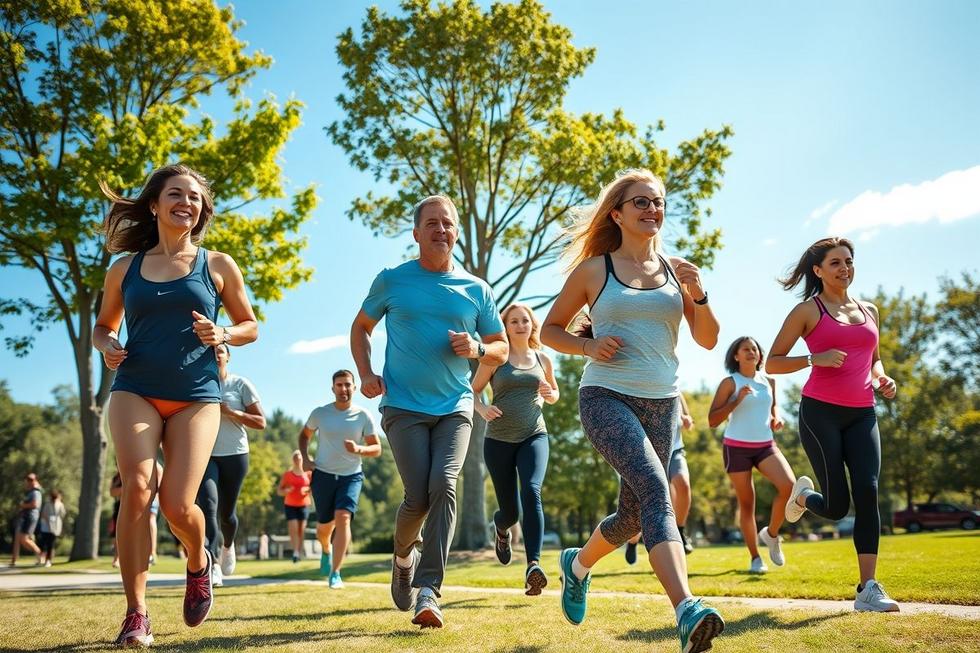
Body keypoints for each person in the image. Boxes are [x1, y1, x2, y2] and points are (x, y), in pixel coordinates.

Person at [540, 169, 724, 653]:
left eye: (658, 202)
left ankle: (577, 565)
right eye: (641, 202)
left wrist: (698, 294)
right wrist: (589, 347)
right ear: (617, 213)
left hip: (661, 403)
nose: (652, 210)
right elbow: (550, 330)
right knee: (655, 487)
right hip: (606, 397)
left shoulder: (677, 271)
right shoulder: (595, 271)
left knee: (634, 517)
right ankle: (687, 610)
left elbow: (708, 338)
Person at [94, 164, 258, 646]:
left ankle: (198, 560)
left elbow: (251, 324)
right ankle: (136, 614)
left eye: (194, 197)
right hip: (135, 387)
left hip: (196, 395)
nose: (185, 202)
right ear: (154, 204)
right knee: (137, 489)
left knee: (177, 504)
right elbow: (104, 325)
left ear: (202, 210)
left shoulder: (218, 264)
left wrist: (223, 332)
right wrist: (106, 345)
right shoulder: (124, 269)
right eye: (175, 194)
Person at [351, 194, 507, 628]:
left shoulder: (477, 289)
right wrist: (365, 372)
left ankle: (428, 590)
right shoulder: (392, 280)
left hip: (456, 404)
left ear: (456, 232)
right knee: (417, 496)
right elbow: (361, 327)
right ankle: (403, 557)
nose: (442, 230)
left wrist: (478, 348)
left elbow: (501, 347)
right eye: (433, 223)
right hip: (402, 405)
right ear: (416, 233)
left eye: (449, 224)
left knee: (445, 483)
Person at [766, 237, 899, 612]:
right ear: (818, 270)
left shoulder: (869, 309)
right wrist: (814, 358)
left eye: (849, 261)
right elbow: (772, 363)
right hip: (820, 413)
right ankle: (803, 497)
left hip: (863, 413)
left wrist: (881, 377)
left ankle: (868, 588)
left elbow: (874, 359)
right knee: (838, 506)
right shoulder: (808, 311)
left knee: (868, 491)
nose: (845, 268)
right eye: (836, 263)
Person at [471, 303, 559, 595]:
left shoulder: (543, 359)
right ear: (505, 327)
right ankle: (501, 527)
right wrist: (483, 409)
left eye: (525, 320)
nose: (521, 325)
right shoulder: (496, 358)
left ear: (532, 325)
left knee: (532, 490)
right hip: (497, 441)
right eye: (514, 321)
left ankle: (533, 564)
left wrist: (549, 393)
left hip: (534, 435)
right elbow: (472, 391)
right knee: (511, 512)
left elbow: (554, 393)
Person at [708, 336, 795, 573]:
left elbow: (773, 408)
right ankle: (756, 558)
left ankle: (772, 534)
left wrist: (778, 419)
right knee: (747, 505)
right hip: (736, 447)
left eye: (754, 348)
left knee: (789, 486)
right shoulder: (730, 383)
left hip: (765, 445)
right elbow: (713, 420)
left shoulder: (769, 381)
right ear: (736, 356)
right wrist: (736, 400)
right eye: (745, 349)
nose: (751, 352)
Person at [300, 370, 381, 590]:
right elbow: (304, 435)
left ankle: (335, 573)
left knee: (343, 517)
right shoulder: (320, 413)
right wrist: (306, 459)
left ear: (354, 388)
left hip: (352, 475)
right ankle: (326, 549)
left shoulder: (363, 415)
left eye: (347, 385)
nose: (343, 389)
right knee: (324, 528)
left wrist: (359, 449)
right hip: (323, 475)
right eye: (339, 385)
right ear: (332, 388)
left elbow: (377, 449)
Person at [197, 343, 265, 586]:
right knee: (208, 506)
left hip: (235, 454)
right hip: (205, 454)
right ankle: (213, 564)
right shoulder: (197, 382)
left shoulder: (240, 385)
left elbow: (260, 421)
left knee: (227, 514)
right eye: (211, 351)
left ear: (228, 357)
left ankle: (228, 545)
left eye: (220, 351)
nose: (216, 355)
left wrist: (231, 413)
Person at [625, 393, 695, 564]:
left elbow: (687, 419)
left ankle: (680, 530)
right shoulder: (644, 389)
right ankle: (633, 541)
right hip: (649, 454)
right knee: (646, 502)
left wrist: (687, 420)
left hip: (676, 450)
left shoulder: (677, 392)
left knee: (683, 484)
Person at [278, 451, 312, 563]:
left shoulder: (308, 474)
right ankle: (295, 552)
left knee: (301, 530)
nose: (298, 460)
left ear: (302, 460)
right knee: (293, 528)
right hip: (290, 504)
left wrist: (307, 490)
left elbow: (314, 488)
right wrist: (286, 490)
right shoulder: (287, 474)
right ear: (293, 460)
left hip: (304, 504)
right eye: (296, 458)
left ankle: (299, 551)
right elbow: (279, 491)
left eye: (299, 458)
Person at [10, 473, 43, 567]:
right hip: (26, 517)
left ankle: (39, 553)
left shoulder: (36, 492)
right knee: (21, 538)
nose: (28, 482)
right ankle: (14, 559)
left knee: (24, 538)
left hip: (31, 516)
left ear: (35, 481)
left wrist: (22, 505)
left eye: (31, 480)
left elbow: (34, 505)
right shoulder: (31, 492)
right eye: (28, 480)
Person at [37, 489, 67, 567]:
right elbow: (43, 514)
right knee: (44, 544)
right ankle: (42, 558)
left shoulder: (60, 504)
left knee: (51, 544)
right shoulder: (47, 504)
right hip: (46, 527)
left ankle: (48, 560)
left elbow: (62, 514)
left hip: (55, 527)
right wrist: (48, 522)